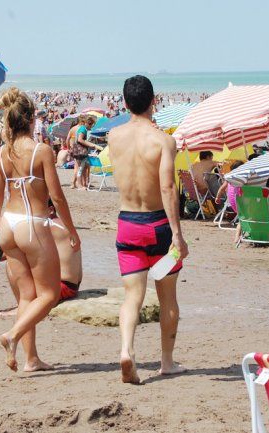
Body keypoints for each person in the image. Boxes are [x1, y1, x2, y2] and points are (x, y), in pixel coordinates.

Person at [0, 87, 80, 372]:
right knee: (49, 295)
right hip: (32, 224)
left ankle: (30, 359)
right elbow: (58, 196)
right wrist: (71, 229)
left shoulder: (1, 153)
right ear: (31, 119)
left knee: (27, 296)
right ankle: (11, 335)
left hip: (8, 224)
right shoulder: (41, 151)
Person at [107, 75, 188, 384]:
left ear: (125, 103)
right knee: (167, 297)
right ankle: (166, 362)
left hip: (128, 223)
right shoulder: (163, 141)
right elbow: (167, 188)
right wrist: (177, 234)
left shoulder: (114, 136)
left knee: (132, 297)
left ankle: (126, 350)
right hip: (157, 225)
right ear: (154, 100)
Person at [71, 116, 102, 189]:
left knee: (83, 168)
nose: (91, 126)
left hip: (78, 150)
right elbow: (80, 140)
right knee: (80, 168)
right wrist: (92, 145)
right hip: (80, 151)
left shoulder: (82, 128)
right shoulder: (83, 129)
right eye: (91, 124)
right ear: (87, 123)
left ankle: (83, 184)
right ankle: (80, 185)